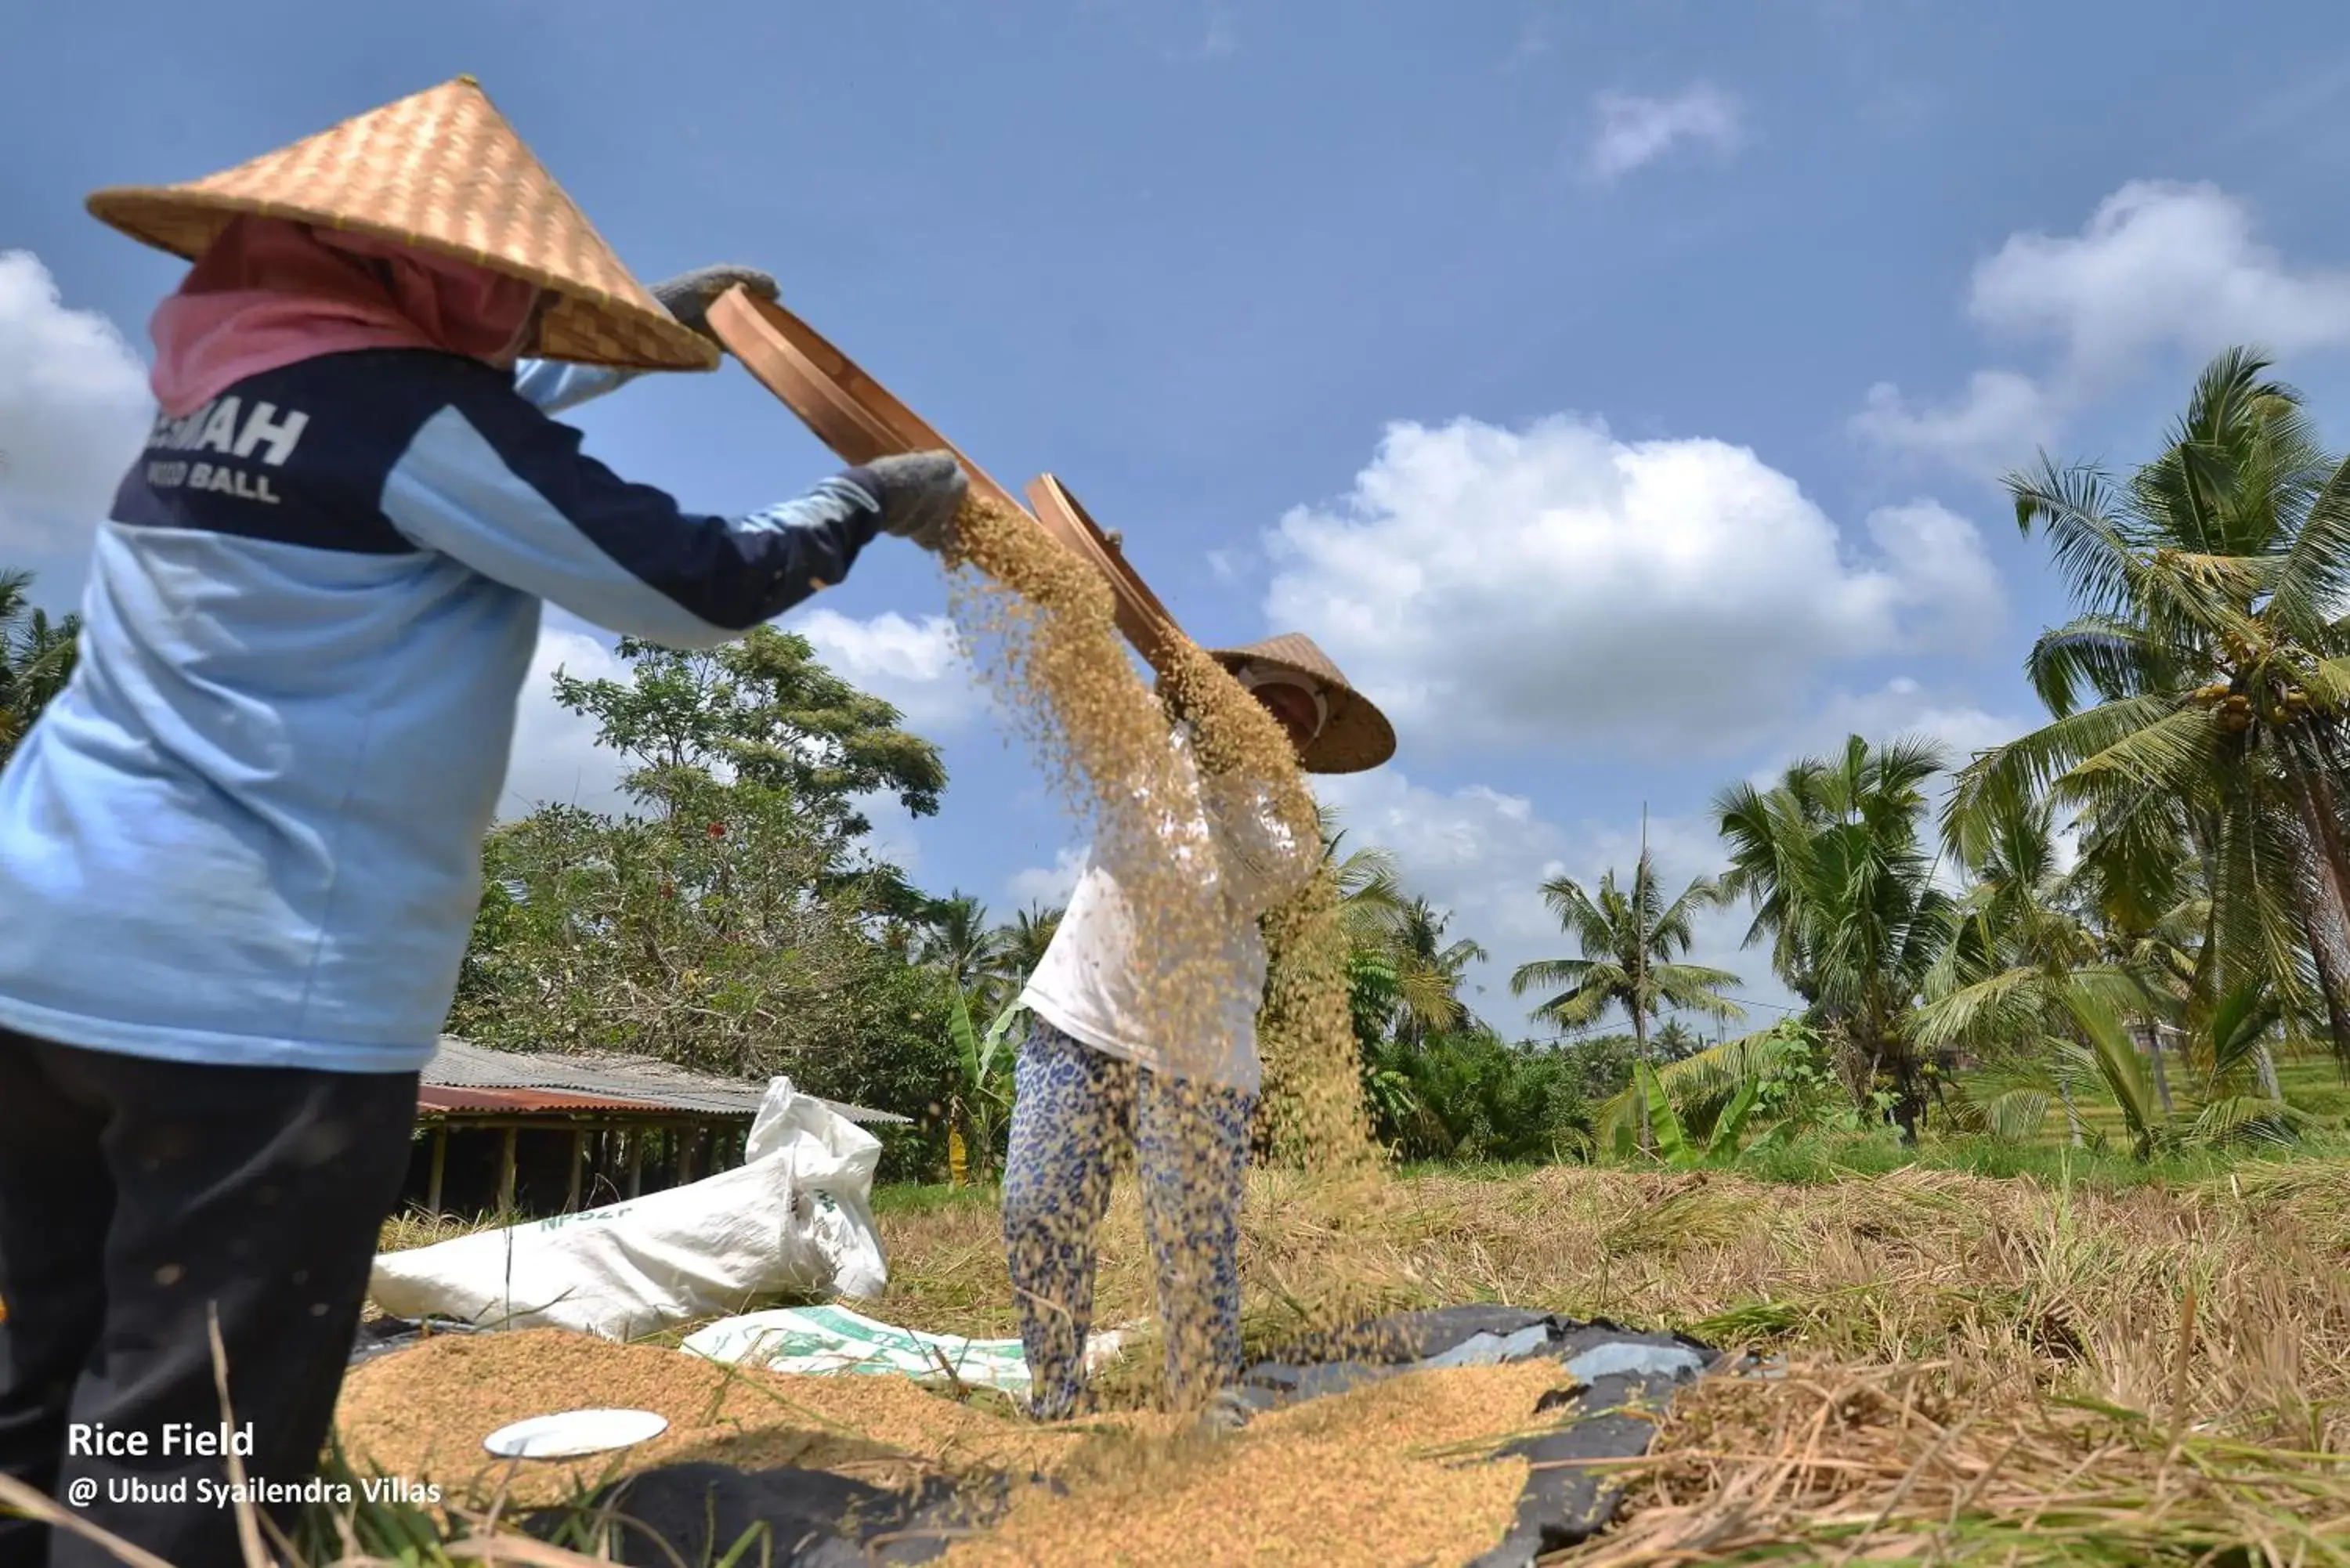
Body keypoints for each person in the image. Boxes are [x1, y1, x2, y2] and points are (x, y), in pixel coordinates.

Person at [0, 78, 967, 1568]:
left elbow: (429, 434)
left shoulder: (214, 395)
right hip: (251, 1005)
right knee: (190, 1450)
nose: (514, 302)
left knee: (41, 1390)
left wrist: (639, 336)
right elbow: (690, 580)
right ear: (416, 268)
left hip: (38, 968)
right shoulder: (413, 418)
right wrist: (853, 504)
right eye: (500, 278)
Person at [1004, 634, 1396, 1420]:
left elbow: (1244, 868)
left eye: (1294, 724)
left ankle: (1203, 1407)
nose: (1275, 730)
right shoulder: (1147, 746)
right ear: (1227, 698)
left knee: (1192, 1242)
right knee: (1037, 1205)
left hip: (1200, 1050)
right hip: (1082, 1013)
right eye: (1264, 707)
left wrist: (1225, 753)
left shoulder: (1289, 826)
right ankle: (1055, 1401)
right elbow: (1084, 693)